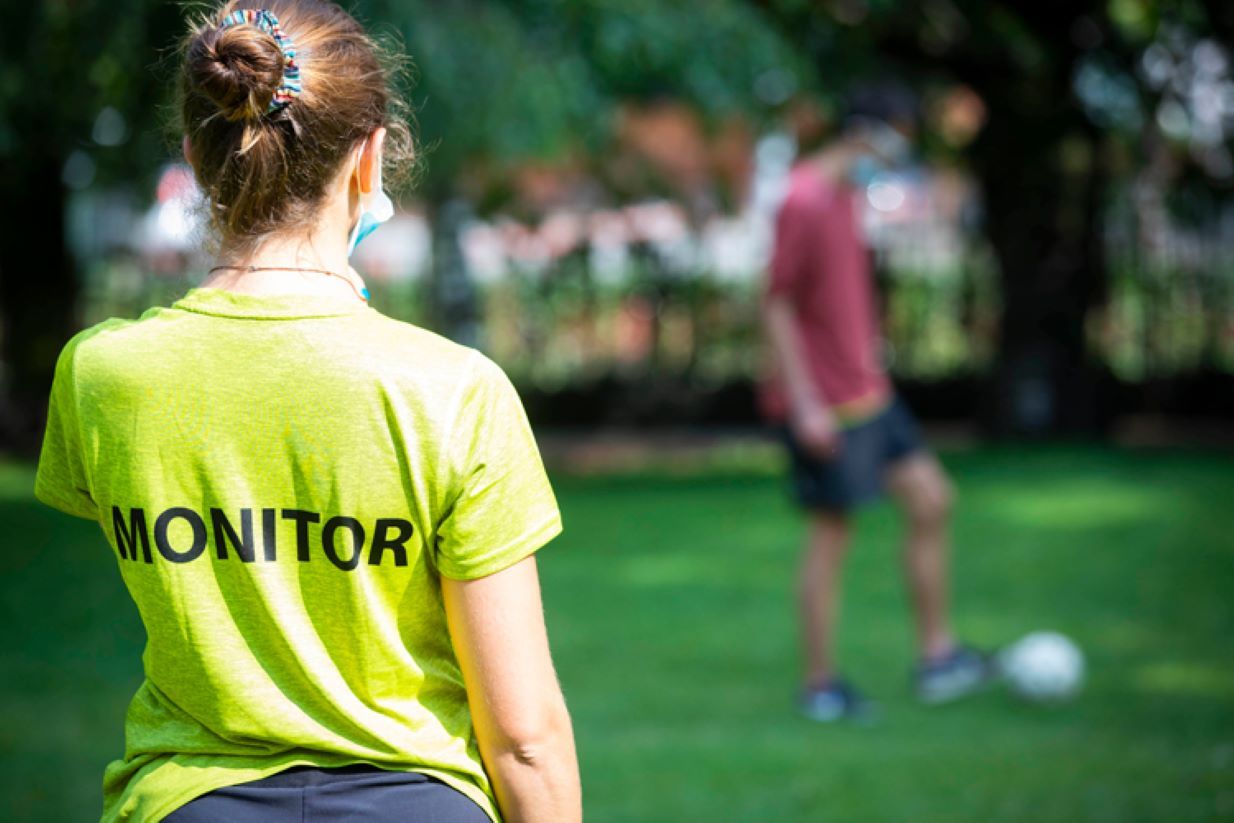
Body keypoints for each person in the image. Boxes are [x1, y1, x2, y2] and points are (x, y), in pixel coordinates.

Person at [34, 2, 581, 820]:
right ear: (370, 160)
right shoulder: (454, 390)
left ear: (194, 155)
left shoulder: (101, 374)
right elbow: (525, 735)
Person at [762, 89, 991, 722]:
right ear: (864, 133)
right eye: (895, 139)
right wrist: (803, 403)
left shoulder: (843, 196)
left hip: (871, 393)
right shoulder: (802, 198)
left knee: (932, 500)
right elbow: (777, 301)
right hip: (825, 404)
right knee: (833, 535)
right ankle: (819, 685)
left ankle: (938, 657)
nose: (899, 154)